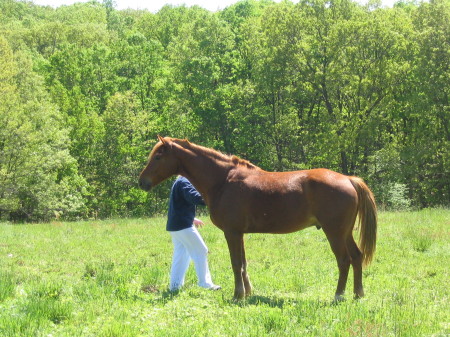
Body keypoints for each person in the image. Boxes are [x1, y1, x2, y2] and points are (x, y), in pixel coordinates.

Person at [166, 176, 221, 292]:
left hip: (176, 225)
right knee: (201, 250)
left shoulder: (179, 181)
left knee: (181, 256)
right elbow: (194, 197)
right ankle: (205, 283)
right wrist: (213, 196)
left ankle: (175, 286)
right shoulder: (185, 181)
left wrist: (191, 218)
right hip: (183, 226)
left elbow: (179, 205)